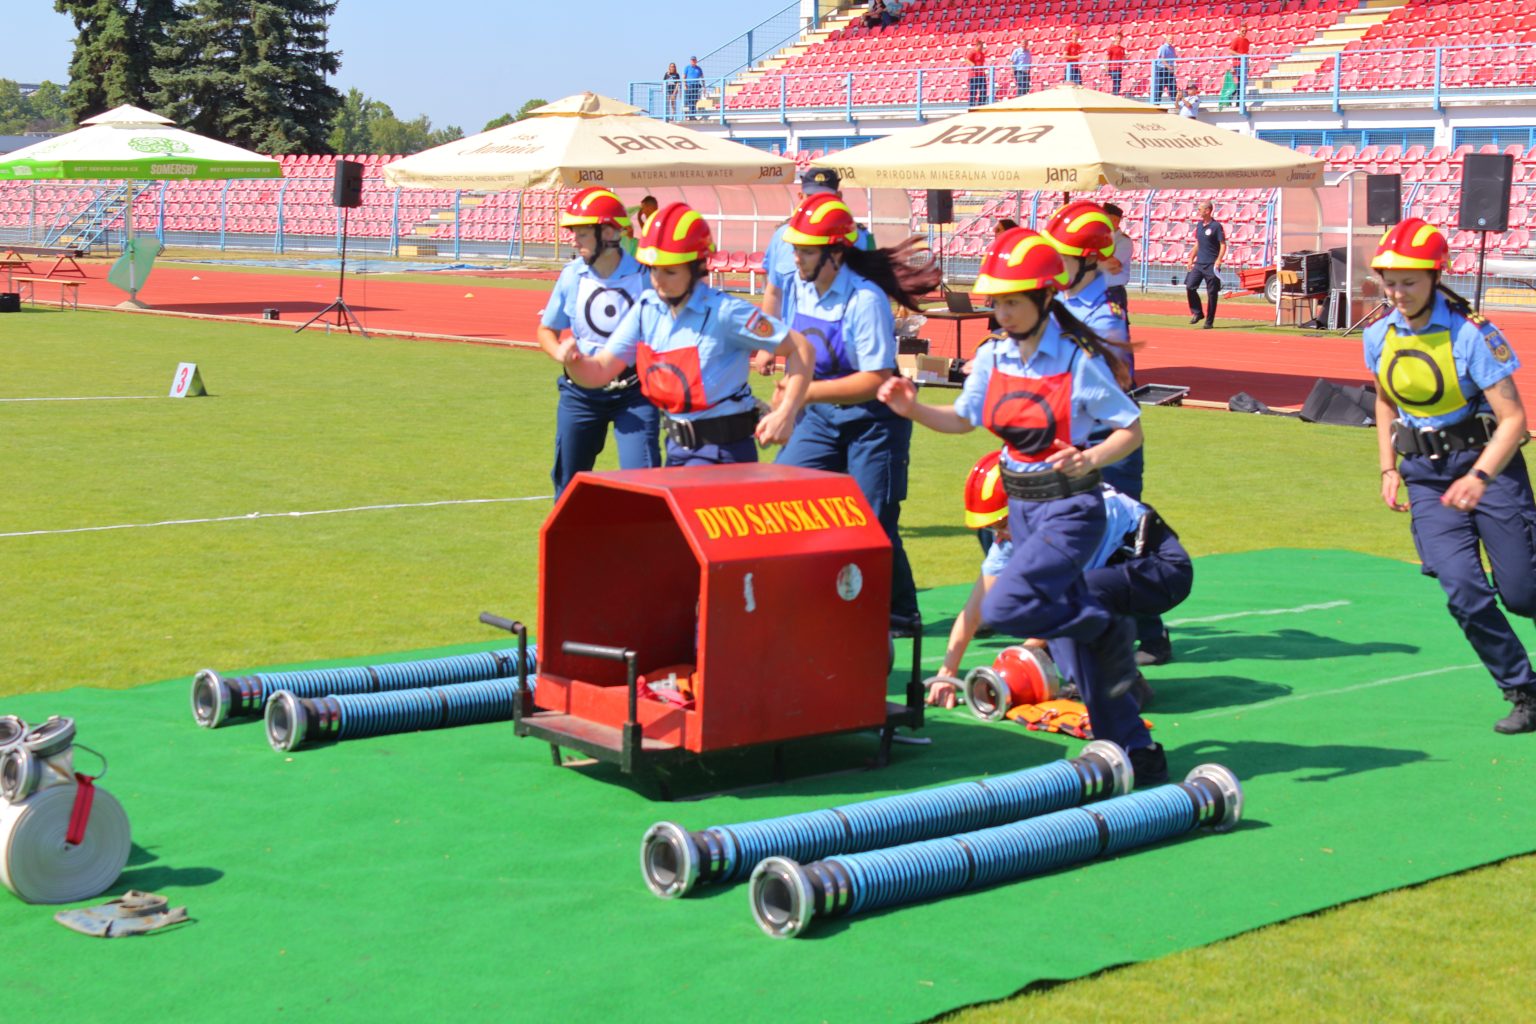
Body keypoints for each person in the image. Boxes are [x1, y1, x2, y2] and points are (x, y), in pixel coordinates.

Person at [877, 227, 1164, 783]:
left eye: (1013, 301)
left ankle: (1105, 627)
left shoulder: (1077, 360)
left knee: (1005, 606)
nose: (1002, 312)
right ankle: (1133, 747)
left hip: (1071, 510)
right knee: (1072, 650)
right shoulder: (991, 358)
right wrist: (911, 408)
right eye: (997, 301)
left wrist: (1091, 458)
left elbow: (1130, 428)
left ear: (1044, 298)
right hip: (1022, 509)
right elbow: (961, 420)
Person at [1364, 218, 1536, 734]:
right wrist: (1388, 467)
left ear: (1436, 277)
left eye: (1409, 281)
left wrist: (1480, 477)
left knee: (1524, 593)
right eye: (1389, 281)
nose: (1397, 292)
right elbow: (1384, 400)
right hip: (1426, 478)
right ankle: (1523, 690)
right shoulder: (1378, 334)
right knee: (1462, 589)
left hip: (1489, 468)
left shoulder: (1473, 334)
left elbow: (1515, 421)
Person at [770, 192, 942, 634]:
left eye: (805, 250)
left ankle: (901, 612)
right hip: (823, 418)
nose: (796, 256)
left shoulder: (864, 300)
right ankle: (807, 588)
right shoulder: (798, 285)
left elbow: (875, 378)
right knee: (777, 492)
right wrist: (787, 401)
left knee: (873, 521)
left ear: (834, 254)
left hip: (874, 424)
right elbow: (798, 350)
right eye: (795, 248)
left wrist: (803, 393)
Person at [559, 202, 814, 467]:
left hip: (723, 455)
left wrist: (786, 412)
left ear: (696, 267)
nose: (659, 280)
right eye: (654, 269)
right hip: (677, 450)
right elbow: (600, 369)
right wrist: (575, 362)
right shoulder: (647, 310)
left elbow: (801, 349)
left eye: (670, 271)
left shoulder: (726, 313)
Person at [930, 452, 1192, 709]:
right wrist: (948, 672)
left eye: (1002, 523)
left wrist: (1018, 661)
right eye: (992, 527)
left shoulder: (1079, 517)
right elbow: (974, 610)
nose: (999, 534)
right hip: (1116, 576)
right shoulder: (1022, 527)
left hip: (1164, 572)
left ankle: (1124, 688)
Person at [537, 187, 660, 497]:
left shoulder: (646, 276)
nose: (574, 241)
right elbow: (546, 331)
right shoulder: (571, 276)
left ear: (608, 232)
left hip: (635, 393)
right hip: (580, 394)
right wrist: (561, 353)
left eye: (582, 233)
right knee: (568, 484)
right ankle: (570, 546)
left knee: (644, 482)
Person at [758, 167, 875, 325]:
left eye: (825, 197)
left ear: (839, 197)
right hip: (793, 341)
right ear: (800, 197)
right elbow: (774, 293)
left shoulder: (861, 238)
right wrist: (767, 344)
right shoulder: (782, 236)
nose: (818, 203)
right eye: (811, 197)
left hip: (840, 341)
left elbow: (872, 293)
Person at [1185, 201, 1226, 329]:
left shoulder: (1216, 226)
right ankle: (1198, 312)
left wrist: (1219, 260)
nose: (1198, 211)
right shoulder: (1199, 225)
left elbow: (1223, 245)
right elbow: (1198, 243)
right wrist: (1191, 258)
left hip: (1211, 265)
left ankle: (1209, 321)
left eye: (1200, 209)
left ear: (1207, 211)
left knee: (1212, 294)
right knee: (1190, 286)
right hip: (1199, 263)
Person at [1100, 201, 1134, 314]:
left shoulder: (1123, 241)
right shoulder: (1100, 238)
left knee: (1115, 328)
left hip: (1113, 292)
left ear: (1115, 221)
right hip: (1098, 290)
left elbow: (1113, 264)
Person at [1153, 36, 1177, 104]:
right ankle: (1156, 103)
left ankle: (1175, 102)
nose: (1171, 40)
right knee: (1159, 87)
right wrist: (1169, 67)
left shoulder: (1172, 48)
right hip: (1162, 69)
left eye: (1172, 39)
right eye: (1170, 39)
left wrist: (1171, 68)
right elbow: (1162, 59)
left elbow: (1172, 60)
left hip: (1169, 68)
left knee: (1172, 85)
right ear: (1166, 40)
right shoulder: (1163, 47)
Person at [966, 39, 988, 107]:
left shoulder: (982, 54)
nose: (982, 48)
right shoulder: (972, 52)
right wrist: (972, 64)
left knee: (983, 90)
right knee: (973, 91)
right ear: (977, 46)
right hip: (974, 75)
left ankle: (981, 104)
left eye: (982, 46)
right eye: (981, 46)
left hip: (981, 75)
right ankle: (971, 106)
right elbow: (967, 59)